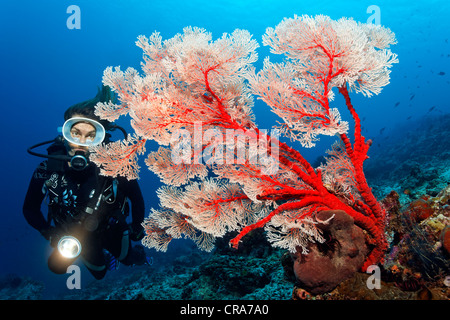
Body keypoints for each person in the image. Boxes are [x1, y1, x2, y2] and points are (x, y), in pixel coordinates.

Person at [23, 86, 149, 280]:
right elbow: (30, 208)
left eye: (91, 136)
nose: (81, 142)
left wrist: (137, 227)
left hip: (112, 227)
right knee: (98, 274)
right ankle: (105, 259)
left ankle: (139, 257)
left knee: (128, 258)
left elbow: (137, 199)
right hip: (75, 234)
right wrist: (50, 233)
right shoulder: (47, 169)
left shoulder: (116, 166)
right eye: (75, 133)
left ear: (101, 139)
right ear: (64, 133)